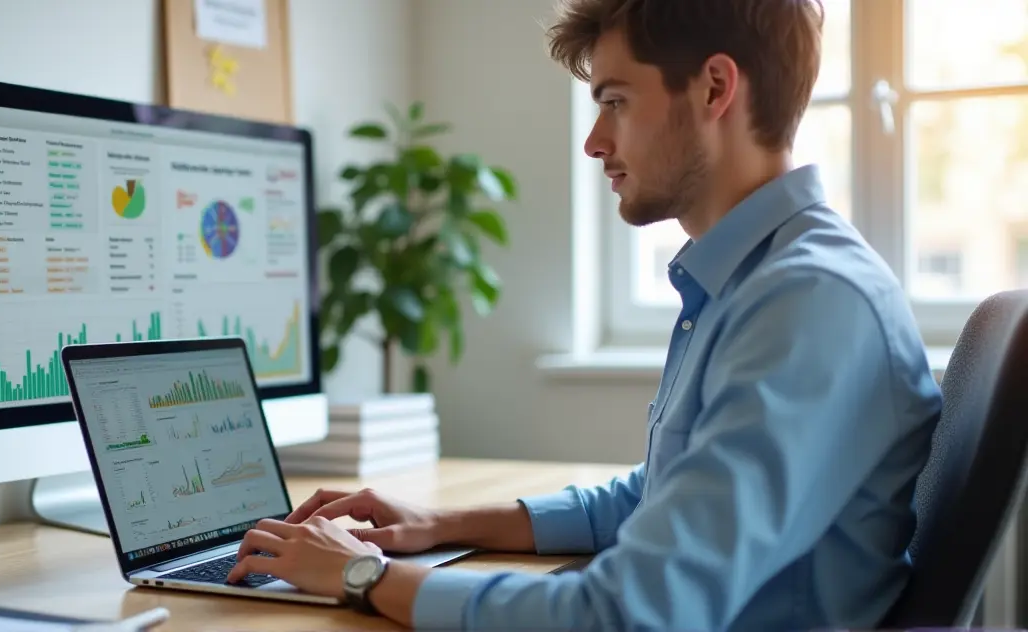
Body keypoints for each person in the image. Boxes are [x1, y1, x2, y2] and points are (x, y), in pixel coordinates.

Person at [225, 0, 944, 628]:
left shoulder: (809, 304)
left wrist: (363, 577)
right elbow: (655, 497)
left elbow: (625, 612)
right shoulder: (755, 282)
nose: (595, 141)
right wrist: (435, 524)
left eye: (616, 101)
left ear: (715, 88)